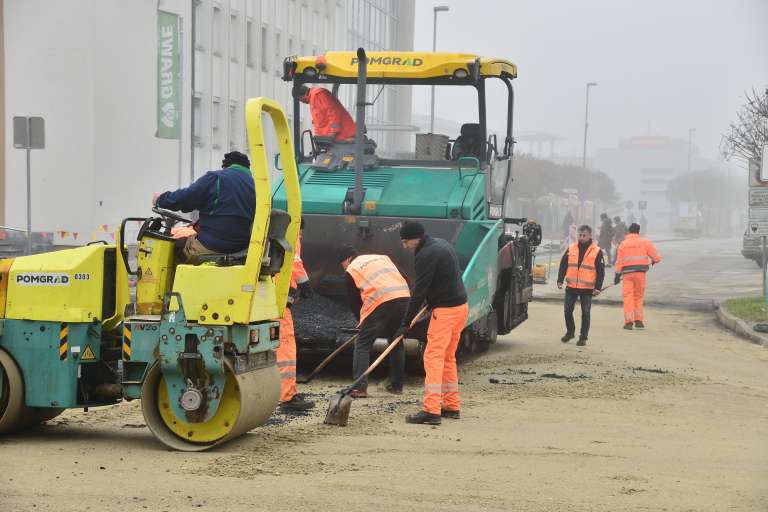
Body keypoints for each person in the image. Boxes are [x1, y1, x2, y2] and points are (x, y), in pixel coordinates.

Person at [397, 221, 468, 426]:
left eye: (406, 241)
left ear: (415, 238)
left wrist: (405, 322)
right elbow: (442, 279)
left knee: (433, 358)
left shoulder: (425, 255)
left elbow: (419, 291)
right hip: (460, 307)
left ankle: (431, 410)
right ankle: (452, 406)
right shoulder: (441, 244)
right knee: (447, 358)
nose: (405, 246)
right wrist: (431, 301)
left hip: (445, 312)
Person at [153, 151, 254, 263]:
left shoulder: (217, 178)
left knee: (175, 247)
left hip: (212, 247)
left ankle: (176, 280)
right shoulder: (257, 186)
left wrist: (160, 199)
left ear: (226, 167)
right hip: (241, 249)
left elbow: (185, 198)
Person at [338, 246, 411, 398]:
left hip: (380, 301)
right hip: (404, 297)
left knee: (362, 344)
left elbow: (354, 301)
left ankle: (359, 388)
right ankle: (397, 386)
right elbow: (405, 277)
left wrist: (362, 321)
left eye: (342, 265)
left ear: (346, 260)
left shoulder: (352, 269)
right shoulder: (382, 257)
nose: (344, 268)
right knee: (396, 342)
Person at [278, 219, 315, 411]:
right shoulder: (290, 236)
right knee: (285, 344)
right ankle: (286, 396)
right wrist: (304, 284)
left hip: (269, 296)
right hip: (278, 300)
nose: (300, 237)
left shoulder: (269, 233)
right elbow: (294, 261)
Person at [557, 224, 605, 346]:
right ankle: (570, 332)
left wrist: (598, 287)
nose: (581, 237)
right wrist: (560, 279)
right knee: (567, 310)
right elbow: (563, 264)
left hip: (587, 288)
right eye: (580, 235)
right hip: (571, 286)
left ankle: (583, 337)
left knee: (586, 313)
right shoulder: (571, 248)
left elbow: (601, 271)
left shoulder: (597, 251)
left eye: (584, 235)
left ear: (590, 236)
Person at [614, 222, 661, 330]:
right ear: (638, 232)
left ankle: (628, 322)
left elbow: (619, 261)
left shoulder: (623, 244)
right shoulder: (645, 242)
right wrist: (654, 260)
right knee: (638, 296)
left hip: (627, 275)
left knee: (628, 297)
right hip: (640, 274)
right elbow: (657, 257)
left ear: (629, 231)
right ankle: (639, 320)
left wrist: (617, 275)